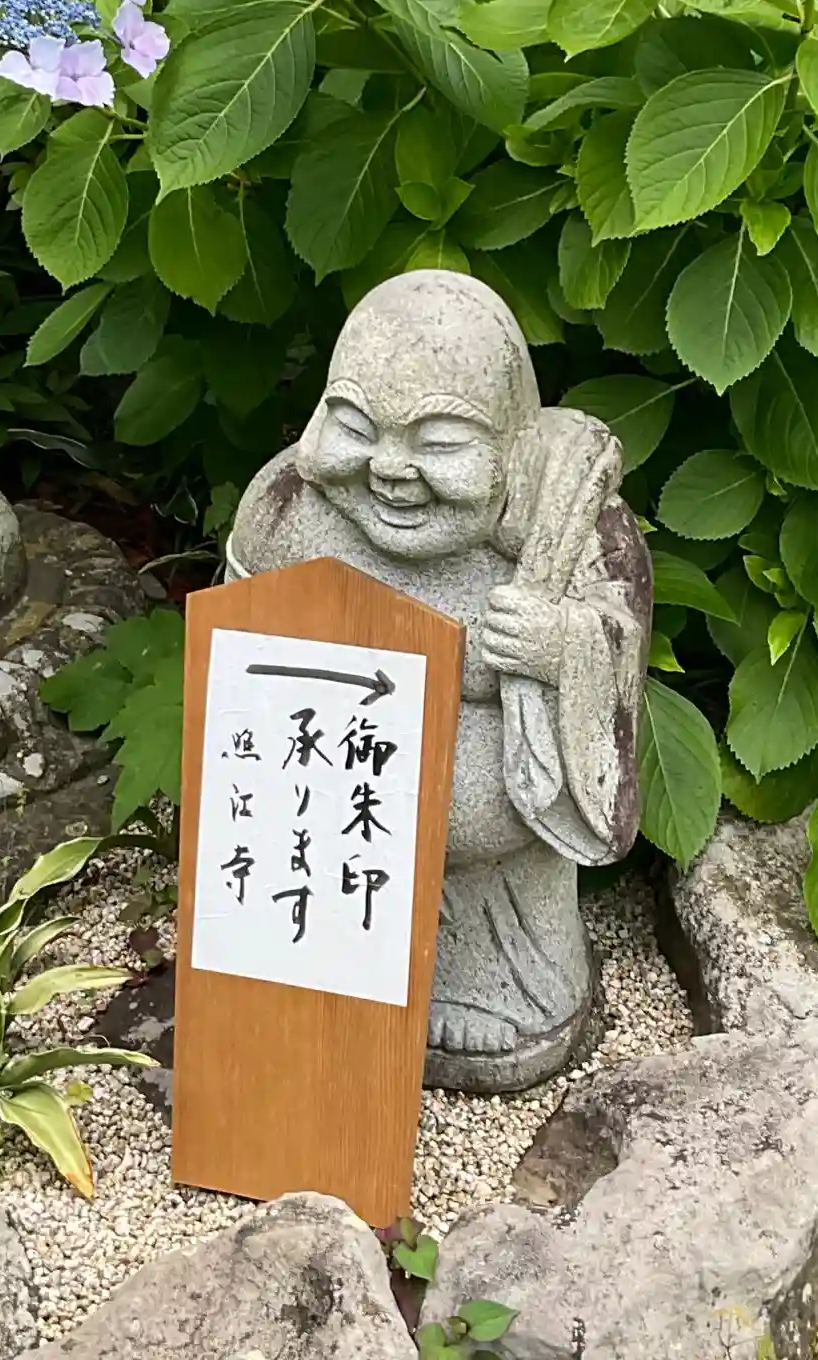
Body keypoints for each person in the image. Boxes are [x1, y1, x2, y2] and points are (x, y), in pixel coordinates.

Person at [228, 270, 651, 1091]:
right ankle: (314, 962)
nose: (390, 469)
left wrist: (558, 646)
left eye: (441, 444)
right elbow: (239, 670)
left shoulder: (567, 528)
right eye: (357, 428)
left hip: (498, 867)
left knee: (509, 919)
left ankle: (493, 981)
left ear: (510, 447)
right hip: (328, 810)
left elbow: (613, 650)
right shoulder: (286, 510)